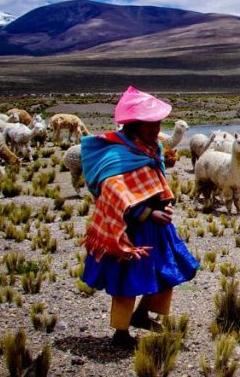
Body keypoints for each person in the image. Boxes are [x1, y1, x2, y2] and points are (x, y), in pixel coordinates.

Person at [79, 86, 199, 349]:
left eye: (158, 123)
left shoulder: (150, 148)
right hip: (130, 230)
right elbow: (113, 194)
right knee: (128, 280)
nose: (157, 129)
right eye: (151, 124)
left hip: (157, 227)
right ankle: (120, 334)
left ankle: (143, 314)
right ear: (135, 125)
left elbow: (156, 182)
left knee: (168, 272)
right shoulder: (117, 154)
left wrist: (165, 205)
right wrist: (146, 212)